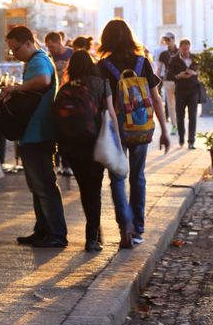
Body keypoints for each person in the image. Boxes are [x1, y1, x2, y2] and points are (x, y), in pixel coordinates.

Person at [96, 18, 171, 249]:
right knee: (137, 176)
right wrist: (165, 131)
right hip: (140, 124)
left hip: (115, 127)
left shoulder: (102, 66)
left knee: (117, 178)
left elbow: (100, 102)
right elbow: (156, 98)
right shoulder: (142, 62)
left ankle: (124, 226)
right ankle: (138, 229)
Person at [3, 26, 68, 248]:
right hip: (32, 133)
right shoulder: (36, 60)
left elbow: (42, 80)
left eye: (15, 49)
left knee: (44, 185)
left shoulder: (39, 60)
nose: (14, 54)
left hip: (39, 133)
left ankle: (56, 233)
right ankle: (42, 230)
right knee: (37, 186)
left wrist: (17, 88)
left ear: (28, 43)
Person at [55, 50, 115, 252]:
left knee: (84, 188)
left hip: (72, 146)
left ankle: (94, 233)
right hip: (94, 142)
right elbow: (111, 113)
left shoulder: (65, 87)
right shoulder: (101, 83)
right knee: (94, 189)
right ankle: (92, 237)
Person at [44, 32, 74, 176]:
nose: (50, 49)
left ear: (59, 42)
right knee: (56, 132)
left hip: (70, 99)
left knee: (67, 133)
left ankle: (67, 164)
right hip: (55, 99)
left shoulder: (72, 54)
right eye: (48, 47)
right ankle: (56, 163)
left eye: (52, 46)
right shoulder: (49, 58)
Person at [167, 37, 201, 149]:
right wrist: (179, 76)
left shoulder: (195, 58)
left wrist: (194, 73)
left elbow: (200, 71)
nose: (186, 51)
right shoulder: (173, 59)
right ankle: (181, 136)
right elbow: (170, 75)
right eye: (184, 49)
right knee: (180, 116)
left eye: (188, 49)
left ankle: (191, 141)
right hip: (180, 90)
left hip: (193, 90)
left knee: (193, 116)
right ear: (180, 48)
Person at [156, 33, 179, 136]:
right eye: (165, 40)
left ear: (173, 39)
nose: (167, 42)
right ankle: (174, 125)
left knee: (180, 104)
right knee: (171, 105)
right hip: (168, 81)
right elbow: (159, 69)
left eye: (168, 40)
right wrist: (155, 84)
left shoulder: (180, 51)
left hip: (180, 82)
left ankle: (179, 124)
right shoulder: (163, 54)